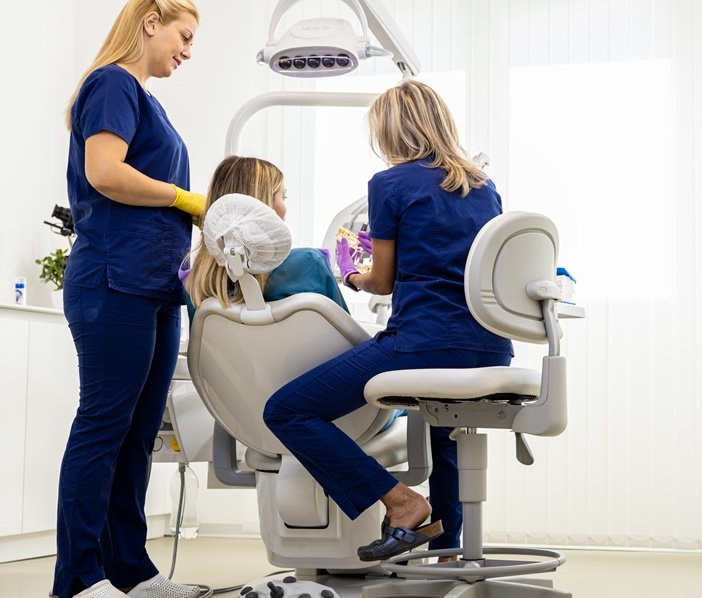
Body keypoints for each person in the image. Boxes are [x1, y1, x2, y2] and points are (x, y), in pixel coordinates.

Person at [263, 80, 513, 562]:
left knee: (287, 411)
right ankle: (448, 553)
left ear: (392, 131)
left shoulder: (389, 184)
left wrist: (352, 275)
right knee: (447, 425)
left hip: (422, 342)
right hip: (489, 349)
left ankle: (401, 503)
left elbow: (383, 281)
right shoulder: (484, 187)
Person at [54, 1, 204, 597]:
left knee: (141, 434)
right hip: (113, 283)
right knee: (104, 427)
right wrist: (186, 199)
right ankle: (79, 578)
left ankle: (129, 570)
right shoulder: (113, 83)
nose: (188, 51)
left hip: (155, 287)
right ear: (151, 21)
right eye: (184, 36)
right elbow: (105, 173)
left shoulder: (148, 101)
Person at [182, 155, 348, 315]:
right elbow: (349, 339)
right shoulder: (310, 263)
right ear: (263, 204)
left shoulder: (197, 284)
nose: (285, 208)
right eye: (283, 197)